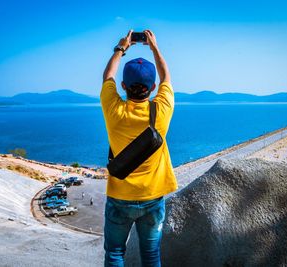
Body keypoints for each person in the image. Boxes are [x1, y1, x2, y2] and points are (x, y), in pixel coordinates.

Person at [100, 30, 177, 267]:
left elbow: (107, 77)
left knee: (114, 253)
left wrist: (121, 48)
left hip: (119, 196)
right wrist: (154, 47)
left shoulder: (114, 110)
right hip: (153, 197)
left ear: (123, 86)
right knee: (151, 254)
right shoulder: (161, 110)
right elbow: (167, 78)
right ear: (152, 87)